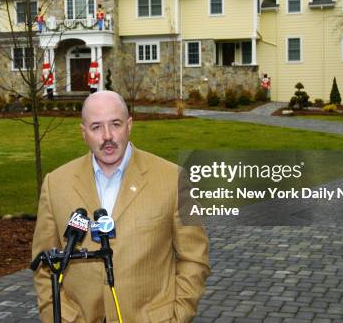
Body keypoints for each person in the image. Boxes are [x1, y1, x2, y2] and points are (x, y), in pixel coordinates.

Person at [32, 91, 210, 322]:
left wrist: (178, 316)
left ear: (129, 125)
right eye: (96, 127)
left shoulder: (173, 178)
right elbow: (43, 262)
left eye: (115, 124)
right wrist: (56, 316)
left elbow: (194, 258)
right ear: (83, 133)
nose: (108, 136)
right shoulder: (55, 184)